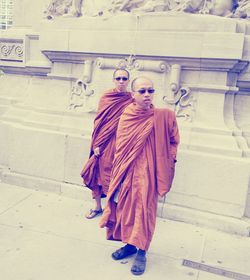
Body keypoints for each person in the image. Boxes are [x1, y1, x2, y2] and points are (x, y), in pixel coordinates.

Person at [100, 76, 180, 275]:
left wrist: (167, 161)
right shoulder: (127, 115)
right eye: (142, 91)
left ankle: (142, 251)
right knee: (124, 211)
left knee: (144, 212)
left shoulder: (164, 116)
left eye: (150, 91)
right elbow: (121, 146)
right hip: (126, 173)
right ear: (133, 94)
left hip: (149, 174)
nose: (147, 95)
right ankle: (129, 245)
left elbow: (173, 141)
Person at [80, 69, 132, 219]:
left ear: (128, 81)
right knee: (97, 173)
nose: (121, 81)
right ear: (114, 80)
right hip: (104, 142)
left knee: (115, 176)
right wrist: (97, 144)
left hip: (121, 142)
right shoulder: (107, 97)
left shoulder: (131, 98)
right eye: (118, 78)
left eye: (124, 78)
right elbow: (99, 121)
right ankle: (97, 207)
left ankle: (112, 211)